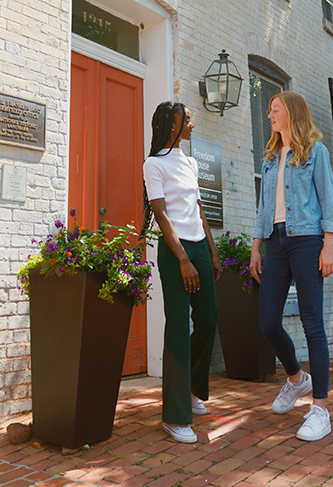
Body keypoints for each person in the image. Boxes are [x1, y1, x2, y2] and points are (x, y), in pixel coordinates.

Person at [248, 91, 333, 442]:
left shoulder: (315, 151)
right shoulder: (271, 157)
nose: (269, 115)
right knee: (268, 321)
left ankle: (320, 409)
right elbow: (262, 206)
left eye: (275, 110)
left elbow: (328, 200)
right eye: (270, 110)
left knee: (311, 322)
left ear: (291, 113)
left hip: (306, 241)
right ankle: (297, 379)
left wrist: (328, 244)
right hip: (275, 242)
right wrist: (256, 247)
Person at [143, 102, 221, 444]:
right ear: (171, 124)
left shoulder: (188, 162)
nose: (192, 123)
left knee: (208, 318)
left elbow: (198, 209)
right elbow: (161, 215)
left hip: (200, 247)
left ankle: (191, 387)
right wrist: (183, 260)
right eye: (186, 119)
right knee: (178, 325)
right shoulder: (154, 164)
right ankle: (174, 416)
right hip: (175, 251)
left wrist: (212, 253)